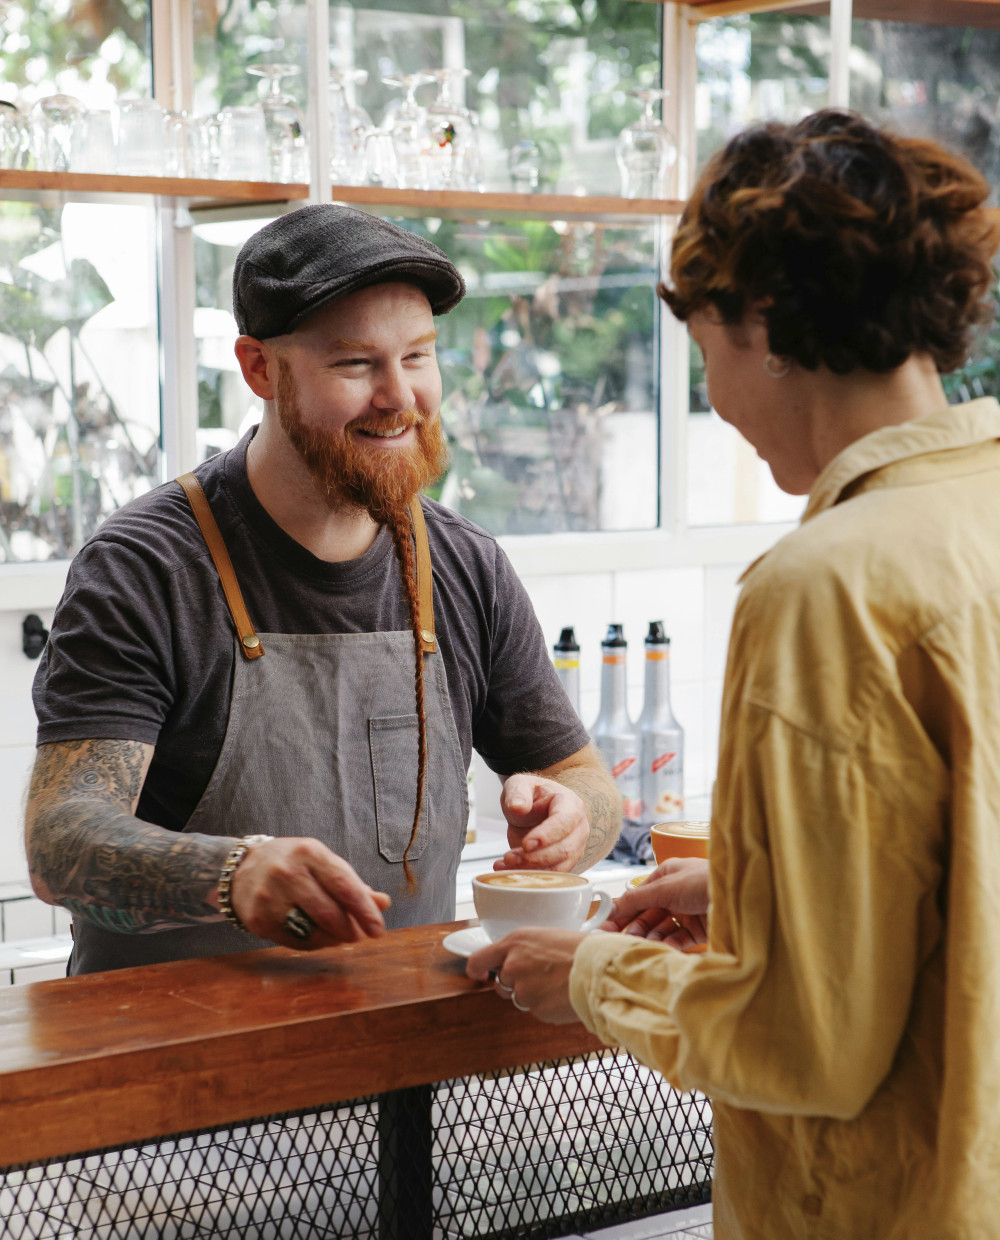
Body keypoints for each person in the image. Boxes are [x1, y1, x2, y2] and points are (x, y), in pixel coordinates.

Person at [469, 110, 1000, 1240]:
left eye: (705, 350)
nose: (715, 396)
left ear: (759, 323)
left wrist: (592, 971)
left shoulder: (825, 581)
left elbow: (805, 1038)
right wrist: (754, 880)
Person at [25, 204, 621, 974]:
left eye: (418, 356)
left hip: (395, 1071)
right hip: (175, 1070)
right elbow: (62, 841)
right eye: (355, 364)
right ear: (259, 368)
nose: (400, 396)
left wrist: (576, 820)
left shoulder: (465, 567)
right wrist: (229, 874)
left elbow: (583, 779)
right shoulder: (147, 568)